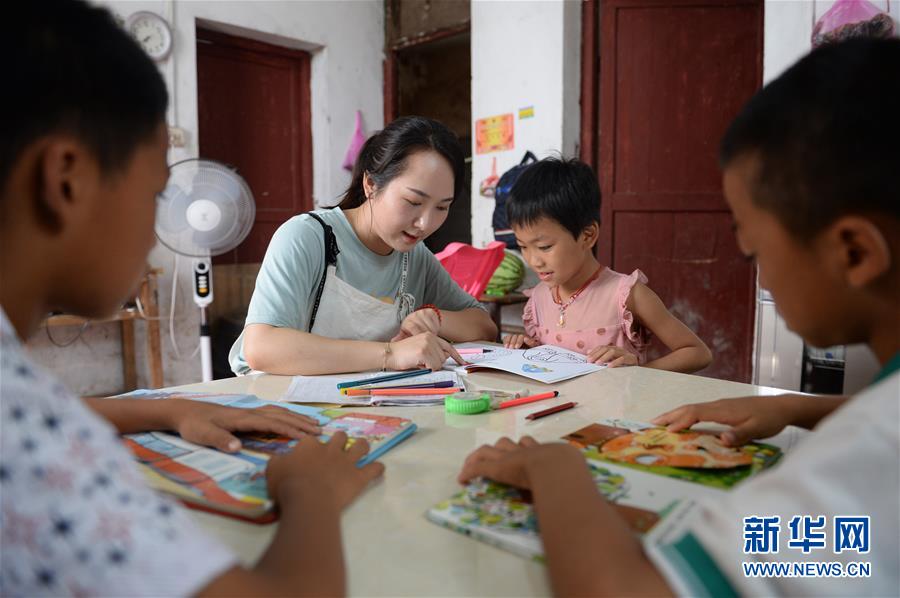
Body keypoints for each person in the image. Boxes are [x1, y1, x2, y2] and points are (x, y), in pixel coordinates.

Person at [458, 38, 899, 596]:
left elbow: (629, 588)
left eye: (755, 252)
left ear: (854, 252)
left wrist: (553, 472)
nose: (761, 278)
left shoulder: (868, 463)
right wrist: (797, 407)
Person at [1, 2, 383, 595]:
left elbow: (49, 410)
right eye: (156, 192)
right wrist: (311, 489)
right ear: (66, 179)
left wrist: (170, 409)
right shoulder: (24, 434)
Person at [229, 117, 498, 376]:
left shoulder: (415, 257)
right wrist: (391, 355)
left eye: (441, 207)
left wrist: (435, 319)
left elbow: (484, 326)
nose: (425, 224)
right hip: (278, 397)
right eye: (413, 202)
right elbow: (261, 347)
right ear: (370, 184)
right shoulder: (307, 236)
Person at [503, 158, 712, 372]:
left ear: (588, 236)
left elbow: (697, 353)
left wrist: (639, 370)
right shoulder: (538, 298)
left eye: (544, 247)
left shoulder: (626, 295)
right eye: (523, 247)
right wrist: (527, 350)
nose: (533, 261)